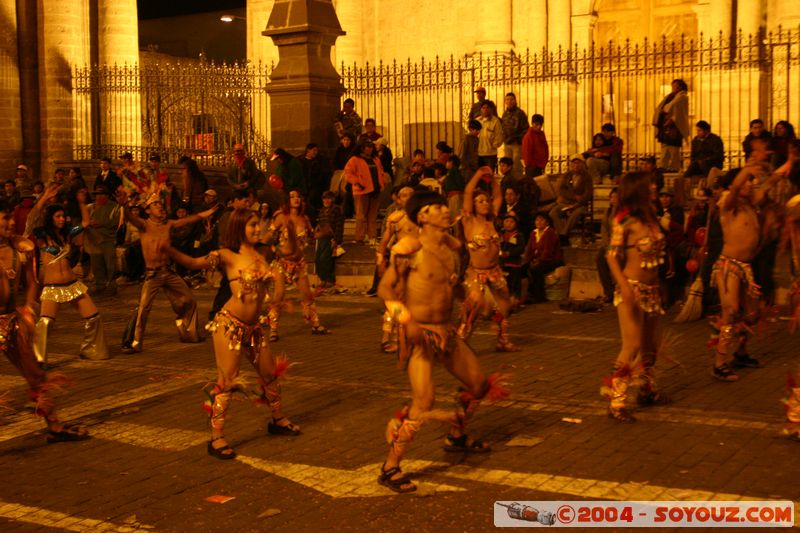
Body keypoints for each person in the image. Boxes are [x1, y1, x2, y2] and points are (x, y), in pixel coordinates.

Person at [377, 190, 509, 493]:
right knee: (423, 402)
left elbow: (451, 286)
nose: (445, 211)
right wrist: (405, 320)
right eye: (437, 207)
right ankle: (389, 467)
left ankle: (456, 435)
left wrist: (472, 297)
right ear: (422, 216)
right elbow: (385, 290)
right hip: (419, 334)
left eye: (444, 206)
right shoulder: (409, 248)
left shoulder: (452, 249)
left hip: (446, 333)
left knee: (478, 385)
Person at [166, 208, 301, 460]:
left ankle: (277, 419)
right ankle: (216, 437)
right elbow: (194, 263)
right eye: (252, 225)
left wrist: (291, 228)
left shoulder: (261, 254)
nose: (257, 229)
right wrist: (169, 250)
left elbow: (291, 252)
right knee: (227, 381)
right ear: (239, 228)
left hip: (254, 328)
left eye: (257, 224)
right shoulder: (227, 255)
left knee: (269, 373)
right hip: (229, 325)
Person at [0, 206, 90, 443]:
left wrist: (29, 307)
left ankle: (55, 427)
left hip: (10, 322)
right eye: (5, 219)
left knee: (37, 376)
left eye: (11, 218)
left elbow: (32, 282)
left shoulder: (20, 250)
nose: (11, 223)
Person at [707, 138, 783, 381]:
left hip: (746, 268)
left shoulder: (752, 204)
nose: (751, 184)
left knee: (753, 313)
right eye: (748, 182)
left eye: (752, 181)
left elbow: (771, 181)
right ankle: (719, 364)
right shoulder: (728, 205)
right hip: (729, 266)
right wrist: (748, 169)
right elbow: (737, 187)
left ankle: (740, 352)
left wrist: (789, 163)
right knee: (730, 312)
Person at [602, 171, 669, 422]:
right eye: (649, 185)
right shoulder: (624, 220)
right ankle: (616, 401)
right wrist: (624, 287)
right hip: (632, 288)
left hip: (652, 290)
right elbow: (611, 256)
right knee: (632, 346)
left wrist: (660, 284)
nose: (654, 188)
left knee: (650, 347)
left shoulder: (651, 217)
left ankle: (646, 389)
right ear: (637, 189)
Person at [116, 190, 217, 353]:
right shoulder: (144, 225)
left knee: (189, 299)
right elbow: (130, 217)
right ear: (148, 210)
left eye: (160, 204)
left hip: (168, 272)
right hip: (152, 274)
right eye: (155, 204)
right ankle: (134, 342)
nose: (160, 207)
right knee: (143, 308)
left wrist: (207, 213)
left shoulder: (168, 224)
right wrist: (124, 206)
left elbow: (187, 220)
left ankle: (189, 333)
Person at [32, 187, 109, 366]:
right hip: (53, 286)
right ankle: (38, 360)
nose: (62, 219)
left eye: (63, 216)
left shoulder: (66, 235)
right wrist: (44, 198)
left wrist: (81, 202)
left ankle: (90, 350)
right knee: (45, 323)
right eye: (58, 216)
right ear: (50, 218)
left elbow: (85, 223)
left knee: (94, 317)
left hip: (72, 284)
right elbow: (33, 218)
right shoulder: (42, 235)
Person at [457, 167, 518, 352]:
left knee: (504, 305)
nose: (485, 204)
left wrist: (493, 179)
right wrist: (478, 174)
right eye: (480, 201)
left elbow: (498, 197)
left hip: (495, 271)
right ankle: (460, 342)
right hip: (476, 272)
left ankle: (502, 339)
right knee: (474, 305)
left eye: (486, 201)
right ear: (473, 205)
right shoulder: (469, 221)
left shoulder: (491, 220)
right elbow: (468, 192)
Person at [268, 190, 331, 341]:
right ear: (287, 200)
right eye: (292, 197)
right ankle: (273, 329)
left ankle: (315, 324)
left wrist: (324, 233)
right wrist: (273, 249)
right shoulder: (281, 217)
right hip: (282, 263)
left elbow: (312, 236)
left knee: (307, 295)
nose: (296, 199)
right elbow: (269, 235)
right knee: (278, 295)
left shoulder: (305, 219)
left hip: (299, 264)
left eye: (298, 197)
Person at [375, 186, 417, 352]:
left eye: (411, 194)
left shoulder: (423, 216)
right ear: (398, 200)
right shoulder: (395, 218)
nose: (408, 197)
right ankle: (387, 338)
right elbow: (384, 242)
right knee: (396, 301)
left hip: (420, 264)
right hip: (401, 264)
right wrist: (380, 261)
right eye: (404, 195)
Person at [344, 140, 386, 245]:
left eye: (371, 146)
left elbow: (381, 171)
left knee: (372, 216)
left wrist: (382, 181)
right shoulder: (354, 159)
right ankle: (360, 238)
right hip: (361, 190)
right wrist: (357, 182)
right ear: (362, 148)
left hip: (375, 189)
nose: (370, 148)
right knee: (361, 216)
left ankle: (372, 237)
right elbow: (347, 173)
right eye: (367, 146)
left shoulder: (376, 159)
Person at [85, 185, 121, 296]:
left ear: (107, 196)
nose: (99, 197)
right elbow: (84, 221)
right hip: (94, 240)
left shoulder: (114, 207)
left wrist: (101, 223)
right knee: (96, 264)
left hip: (108, 239)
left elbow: (116, 222)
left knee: (110, 264)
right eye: (97, 195)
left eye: (102, 194)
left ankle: (112, 285)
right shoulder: (90, 207)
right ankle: (99, 284)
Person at [548, 155, 593, 244]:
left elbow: (588, 194)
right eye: (574, 163)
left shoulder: (587, 177)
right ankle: (562, 234)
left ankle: (564, 235)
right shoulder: (567, 175)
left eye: (578, 163)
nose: (576, 165)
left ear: (582, 164)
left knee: (576, 214)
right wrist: (574, 196)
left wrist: (578, 202)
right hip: (567, 203)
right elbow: (562, 190)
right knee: (553, 212)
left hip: (580, 205)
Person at [524, 213, 563, 304]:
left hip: (552, 260)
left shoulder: (550, 232)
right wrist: (527, 261)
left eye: (542, 220)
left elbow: (548, 251)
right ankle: (528, 294)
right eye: (537, 220)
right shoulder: (533, 233)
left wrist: (539, 261)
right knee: (523, 268)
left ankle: (540, 296)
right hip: (538, 259)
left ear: (547, 222)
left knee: (537, 269)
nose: (539, 222)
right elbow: (529, 249)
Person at [652, 79, 690, 172]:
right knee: (665, 149)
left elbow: (678, 112)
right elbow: (663, 107)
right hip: (665, 126)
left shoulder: (682, 97)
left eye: (675, 86)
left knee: (673, 149)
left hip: (674, 127)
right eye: (672, 86)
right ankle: (663, 166)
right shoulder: (671, 96)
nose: (673, 88)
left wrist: (672, 118)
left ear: (680, 86)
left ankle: (674, 168)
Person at [314, 191, 344, 291]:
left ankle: (330, 280)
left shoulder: (336, 210)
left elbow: (339, 226)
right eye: (324, 198)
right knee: (318, 259)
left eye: (328, 198)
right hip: (322, 238)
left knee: (325, 259)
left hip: (331, 238)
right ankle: (323, 279)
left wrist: (336, 240)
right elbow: (321, 223)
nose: (326, 201)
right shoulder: (322, 211)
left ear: (332, 199)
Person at [596, 188, 619, 303]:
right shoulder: (608, 212)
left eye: (616, 197)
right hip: (608, 244)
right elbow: (604, 229)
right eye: (612, 197)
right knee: (600, 258)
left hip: (619, 244)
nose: (613, 200)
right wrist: (606, 245)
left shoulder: (622, 213)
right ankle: (608, 291)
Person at [499, 213, 526, 308]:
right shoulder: (501, 235)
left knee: (514, 284)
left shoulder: (518, 236)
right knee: (505, 284)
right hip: (503, 264)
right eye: (506, 221)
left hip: (514, 264)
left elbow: (520, 248)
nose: (508, 224)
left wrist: (509, 253)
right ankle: (505, 302)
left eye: (511, 222)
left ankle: (515, 302)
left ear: (516, 224)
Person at [501, 92, 529, 179]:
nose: (509, 101)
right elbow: (502, 127)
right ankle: (509, 181)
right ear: (505, 101)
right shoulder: (504, 114)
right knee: (507, 165)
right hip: (507, 144)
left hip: (517, 144)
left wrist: (518, 138)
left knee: (517, 165)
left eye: (511, 99)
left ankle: (518, 181)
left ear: (515, 101)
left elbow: (526, 128)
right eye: (507, 99)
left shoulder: (520, 113)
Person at [477, 103, 504, 169]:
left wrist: (494, 145)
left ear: (491, 109)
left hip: (490, 154)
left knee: (489, 173)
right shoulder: (477, 120)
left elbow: (499, 135)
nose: (485, 110)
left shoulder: (495, 121)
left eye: (487, 108)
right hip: (478, 153)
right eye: (483, 108)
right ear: (480, 109)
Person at [521, 114, 549, 178]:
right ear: (532, 124)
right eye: (536, 124)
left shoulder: (541, 135)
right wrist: (531, 165)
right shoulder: (528, 136)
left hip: (540, 166)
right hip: (532, 167)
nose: (538, 127)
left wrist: (544, 162)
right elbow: (526, 153)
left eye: (540, 125)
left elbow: (546, 149)